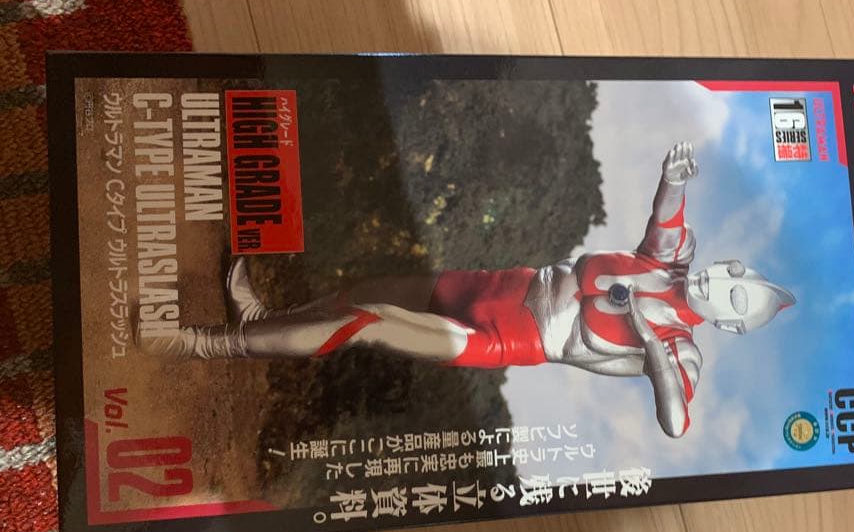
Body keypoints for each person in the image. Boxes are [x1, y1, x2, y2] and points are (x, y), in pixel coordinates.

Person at [139, 142, 796, 437]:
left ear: (731, 326)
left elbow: (676, 424)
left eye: (737, 296)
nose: (725, 277)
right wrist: (674, 179)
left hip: (502, 336)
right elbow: (667, 217)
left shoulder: (682, 351)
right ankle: (261, 318)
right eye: (738, 271)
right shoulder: (672, 260)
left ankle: (201, 344)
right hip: (501, 284)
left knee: (369, 320)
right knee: (361, 291)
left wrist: (649, 336)